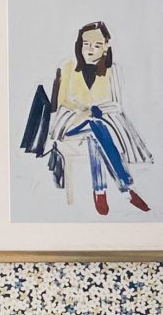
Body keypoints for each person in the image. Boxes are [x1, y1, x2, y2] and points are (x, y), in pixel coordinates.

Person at [20, 21, 153, 216]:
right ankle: (126, 187)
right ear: (79, 44)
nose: (90, 49)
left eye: (97, 45)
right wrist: (84, 111)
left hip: (99, 121)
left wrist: (93, 111)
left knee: (94, 133)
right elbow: (62, 101)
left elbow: (116, 104)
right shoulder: (68, 67)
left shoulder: (113, 70)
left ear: (106, 46)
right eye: (86, 44)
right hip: (69, 122)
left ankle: (100, 192)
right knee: (96, 126)